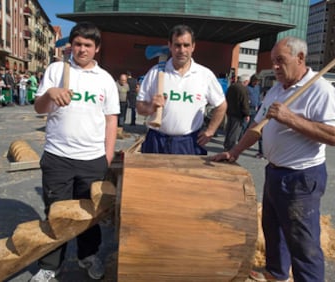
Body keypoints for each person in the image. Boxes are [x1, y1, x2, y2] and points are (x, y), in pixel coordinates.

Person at [210, 36, 335, 282]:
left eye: (281, 61)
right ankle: (276, 274)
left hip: (301, 176)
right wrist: (235, 151)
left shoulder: (320, 90)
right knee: (273, 229)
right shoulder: (277, 89)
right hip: (275, 171)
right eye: (273, 62)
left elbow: (333, 136)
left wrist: (290, 118)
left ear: (300, 58)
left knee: (303, 242)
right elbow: (257, 126)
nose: (275, 67)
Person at [30, 22, 120, 282]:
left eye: (88, 45)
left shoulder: (105, 79)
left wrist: (108, 155)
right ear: (72, 45)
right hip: (58, 157)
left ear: (96, 49)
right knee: (56, 213)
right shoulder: (56, 70)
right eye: (78, 44)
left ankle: (88, 256)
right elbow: (39, 108)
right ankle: (50, 264)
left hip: (92, 160)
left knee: (88, 215)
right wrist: (50, 94)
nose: (82, 49)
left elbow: (111, 119)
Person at [136, 24, 227, 155]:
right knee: (154, 176)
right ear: (170, 46)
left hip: (189, 142)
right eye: (177, 45)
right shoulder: (156, 72)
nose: (182, 50)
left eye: (186, 45)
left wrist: (210, 131)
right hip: (156, 140)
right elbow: (139, 106)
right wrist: (150, 107)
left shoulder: (204, 75)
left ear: (193, 46)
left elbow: (221, 105)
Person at [223, 73, 250, 151]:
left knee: (229, 129)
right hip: (238, 113)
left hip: (230, 111)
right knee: (235, 131)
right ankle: (231, 147)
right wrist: (246, 114)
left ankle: (226, 145)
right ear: (245, 81)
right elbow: (244, 102)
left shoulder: (232, 86)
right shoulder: (242, 89)